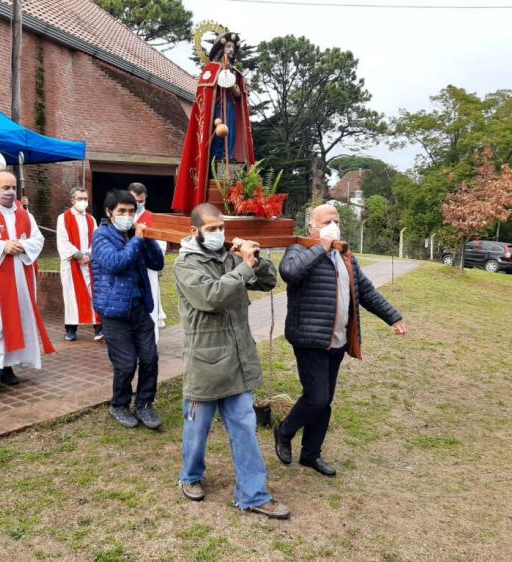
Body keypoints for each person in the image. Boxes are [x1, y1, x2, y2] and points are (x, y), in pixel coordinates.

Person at [173, 203, 290, 519]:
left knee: (245, 429)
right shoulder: (186, 265)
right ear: (194, 231)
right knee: (197, 431)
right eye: (211, 229)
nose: (218, 234)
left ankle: (253, 494)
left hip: (238, 360)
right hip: (205, 362)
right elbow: (211, 297)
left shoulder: (229, 256)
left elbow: (267, 282)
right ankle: (191, 475)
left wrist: (255, 258)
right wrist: (243, 266)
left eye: (220, 227)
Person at [273, 204, 407, 477]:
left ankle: (311, 454)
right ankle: (284, 431)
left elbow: (366, 292)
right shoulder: (298, 249)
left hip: (337, 340)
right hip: (310, 338)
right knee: (317, 397)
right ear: (312, 226)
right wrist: (321, 247)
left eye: (336, 220)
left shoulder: (346, 256)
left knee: (325, 401)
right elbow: (289, 273)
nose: (333, 225)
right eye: (326, 221)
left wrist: (393, 317)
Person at [0, 170, 55, 389]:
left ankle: (8, 366)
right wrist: (2, 246)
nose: (10, 192)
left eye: (13, 187)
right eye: (5, 188)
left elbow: (38, 239)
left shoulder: (25, 214)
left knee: (17, 320)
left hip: (20, 280)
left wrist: (22, 245)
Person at [91, 190, 164, 429]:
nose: (127, 216)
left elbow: (157, 263)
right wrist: (136, 240)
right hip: (115, 312)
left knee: (150, 358)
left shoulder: (136, 234)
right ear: (109, 212)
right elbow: (116, 263)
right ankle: (119, 404)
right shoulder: (101, 236)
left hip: (139, 308)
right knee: (125, 364)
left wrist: (148, 238)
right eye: (122, 211)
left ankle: (144, 403)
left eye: (131, 211)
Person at [173, 31, 256, 212]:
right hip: (216, 111)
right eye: (228, 47)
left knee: (231, 134)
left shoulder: (236, 73)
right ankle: (218, 159)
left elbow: (238, 95)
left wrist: (232, 85)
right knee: (219, 136)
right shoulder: (211, 69)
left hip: (231, 109)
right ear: (220, 49)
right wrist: (220, 78)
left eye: (233, 48)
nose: (231, 50)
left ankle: (229, 158)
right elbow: (205, 93)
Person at [56, 187, 102, 341]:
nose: (83, 202)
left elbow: (96, 240)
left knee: (92, 294)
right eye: (80, 199)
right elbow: (63, 240)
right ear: (72, 200)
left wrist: (89, 254)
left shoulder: (91, 219)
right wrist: (77, 255)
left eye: (85, 199)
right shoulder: (63, 218)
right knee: (71, 296)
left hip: (88, 263)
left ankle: (98, 327)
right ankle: (71, 329)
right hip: (72, 264)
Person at [129, 182, 167, 342]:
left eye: (141, 201)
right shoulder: (122, 216)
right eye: (135, 200)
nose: (138, 204)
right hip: (128, 268)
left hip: (147, 268)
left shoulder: (153, 218)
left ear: (145, 199)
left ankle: (150, 341)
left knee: (148, 303)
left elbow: (161, 245)